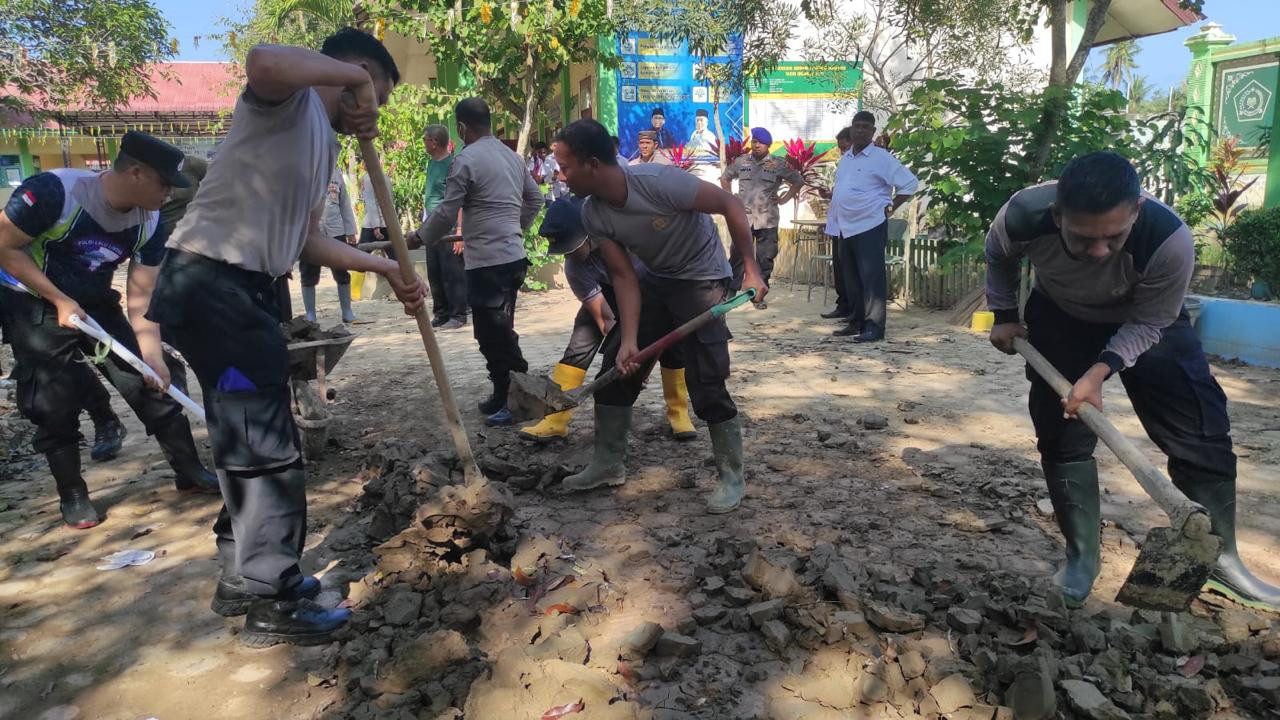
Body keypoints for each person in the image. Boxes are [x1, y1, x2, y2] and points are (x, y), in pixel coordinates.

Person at [146, 29, 426, 647]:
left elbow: (305, 241)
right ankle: (270, 599)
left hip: (241, 291)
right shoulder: (287, 100)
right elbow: (262, 60)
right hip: (212, 283)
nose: (367, 113)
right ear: (349, 72)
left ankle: (242, 573)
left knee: (245, 434)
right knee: (264, 444)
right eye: (369, 93)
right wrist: (352, 81)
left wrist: (385, 268)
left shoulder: (322, 145)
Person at [987, 151, 1280, 613]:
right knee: (1060, 434)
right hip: (1061, 316)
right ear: (1058, 216)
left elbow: (1151, 323)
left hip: (1148, 322)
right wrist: (1004, 314)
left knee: (1201, 432)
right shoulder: (1023, 214)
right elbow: (998, 256)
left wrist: (1100, 370)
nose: (1100, 251)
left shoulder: (1169, 239)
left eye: (1114, 236)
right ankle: (1082, 559)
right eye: (1083, 238)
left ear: (1137, 211)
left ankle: (1223, 562)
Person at [0, 131, 221, 531]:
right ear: (136, 173)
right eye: (164, 183)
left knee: (151, 379)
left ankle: (190, 471)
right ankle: (73, 494)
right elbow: (5, 246)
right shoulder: (55, 193)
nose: (170, 194)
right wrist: (58, 299)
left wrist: (151, 355)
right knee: (51, 398)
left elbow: (141, 292)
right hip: (33, 300)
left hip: (96, 301)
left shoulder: (150, 220)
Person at [551, 119, 767, 515]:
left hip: (701, 278)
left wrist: (750, 267)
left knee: (705, 377)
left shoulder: (658, 182)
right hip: (654, 279)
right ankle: (607, 463)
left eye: (565, 167)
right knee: (616, 365)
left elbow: (729, 205)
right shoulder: (593, 213)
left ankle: (731, 475)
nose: (559, 175)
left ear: (592, 164)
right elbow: (623, 276)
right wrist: (630, 338)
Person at [410, 98, 543, 427]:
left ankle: (517, 396)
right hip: (512, 259)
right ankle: (503, 392)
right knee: (498, 330)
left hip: (488, 263)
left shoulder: (466, 160)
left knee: (491, 334)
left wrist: (418, 237)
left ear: (462, 127)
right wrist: (516, 227)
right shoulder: (510, 157)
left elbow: (445, 211)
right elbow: (536, 198)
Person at [518, 197, 696, 443]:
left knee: (671, 348)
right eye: (564, 251)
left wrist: (644, 363)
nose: (569, 256)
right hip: (609, 293)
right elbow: (605, 320)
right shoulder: (575, 268)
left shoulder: (629, 240)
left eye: (572, 247)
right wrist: (624, 361)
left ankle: (679, 414)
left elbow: (652, 319)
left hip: (652, 287)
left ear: (589, 233)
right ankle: (554, 420)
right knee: (579, 346)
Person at [821, 111, 917, 342]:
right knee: (851, 278)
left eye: (866, 127)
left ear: (873, 132)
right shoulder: (846, 158)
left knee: (871, 279)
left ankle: (874, 328)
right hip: (845, 227)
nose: (860, 130)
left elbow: (910, 183)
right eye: (857, 126)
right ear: (851, 129)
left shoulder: (881, 158)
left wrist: (892, 206)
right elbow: (847, 188)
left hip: (869, 225)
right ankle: (856, 322)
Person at [721, 126, 804, 308]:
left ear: (768, 145)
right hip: (744, 218)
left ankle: (758, 295)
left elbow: (798, 181)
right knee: (737, 255)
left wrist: (784, 199)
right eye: (754, 142)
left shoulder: (778, 164)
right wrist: (730, 197)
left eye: (760, 143)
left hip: (767, 219)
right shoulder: (741, 162)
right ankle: (731, 291)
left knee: (765, 258)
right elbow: (725, 178)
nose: (756, 145)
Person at [421, 124, 468, 331]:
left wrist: (460, 232)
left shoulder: (452, 164)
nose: (423, 143)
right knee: (435, 270)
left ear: (435, 142)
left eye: (425, 139)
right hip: (431, 225)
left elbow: (459, 200)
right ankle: (441, 313)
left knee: (452, 272)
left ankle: (458, 314)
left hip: (448, 226)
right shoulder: (431, 163)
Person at [301, 164, 358, 323]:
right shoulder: (304, 170)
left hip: (335, 230)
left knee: (341, 271)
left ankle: (347, 311)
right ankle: (310, 314)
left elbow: (344, 203)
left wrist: (350, 230)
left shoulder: (336, 173)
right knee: (308, 272)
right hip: (311, 231)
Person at [821, 127, 854, 321]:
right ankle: (843, 304)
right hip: (838, 222)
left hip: (853, 223)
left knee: (851, 269)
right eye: (840, 148)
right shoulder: (844, 163)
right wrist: (829, 194)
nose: (842, 151)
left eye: (845, 147)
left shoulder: (865, 162)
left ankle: (854, 308)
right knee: (839, 267)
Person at [359, 164, 392, 252]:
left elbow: (371, 202)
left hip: (372, 224)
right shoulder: (386, 178)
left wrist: (376, 226)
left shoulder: (367, 179)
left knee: (362, 254)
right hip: (388, 222)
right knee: (394, 255)